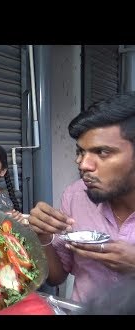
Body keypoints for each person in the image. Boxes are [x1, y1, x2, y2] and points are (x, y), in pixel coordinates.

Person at [28, 91, 135, 305]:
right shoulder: (75, 196)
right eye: (81, 152)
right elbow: (57, 276)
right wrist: (42, 236)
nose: (84, 165)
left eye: (103, 152)